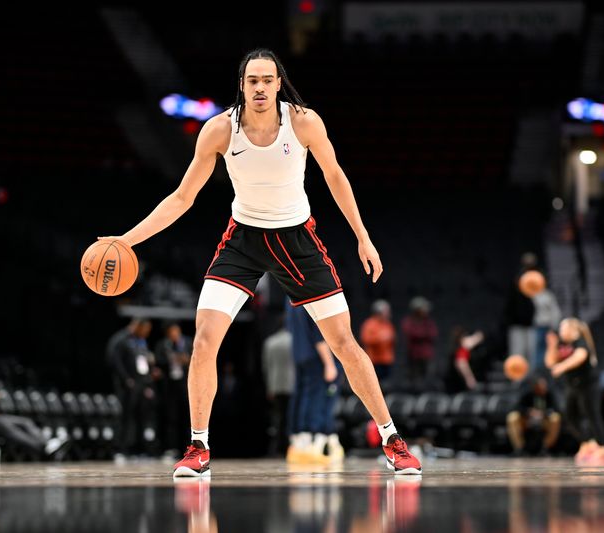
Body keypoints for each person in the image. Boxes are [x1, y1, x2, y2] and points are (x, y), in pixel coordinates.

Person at [99, 48, 421, 477]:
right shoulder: (219, 130)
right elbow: (181, 198)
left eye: (267, 80)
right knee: (204, 339)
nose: (260, 88)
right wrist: (127, 240)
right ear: (242, 86)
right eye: (252, 81)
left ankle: (392, 439)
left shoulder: (304, 121)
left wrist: (363, 237)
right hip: (244, 239)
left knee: (344, 343)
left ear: (278, 83)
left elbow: (335, 177)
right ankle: (198, 447)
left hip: (297, 239)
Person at [545, 317, 604, 465]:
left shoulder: (580, 342)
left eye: (563, 327)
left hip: (589, 384)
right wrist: (551, 345)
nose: (561, 330)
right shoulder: (561, 343)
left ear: (572, 330)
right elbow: (550, 362)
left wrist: (562, 367)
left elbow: (579, 357)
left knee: (592, 415)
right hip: (573, 385)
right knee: (569, 415)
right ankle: (587, 443)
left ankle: (603, 447)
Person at [286, 303, 344, 465]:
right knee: (318, 398)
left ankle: (299, 440)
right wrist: (330, 363)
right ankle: (313, 442)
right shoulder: (310, 295)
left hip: (300, 354)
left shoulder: (290, 300)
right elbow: (319, 335)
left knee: (302, 396)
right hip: (316, 356)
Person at [105, 318, 159, 458]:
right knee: (125, 417)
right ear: (137, 326)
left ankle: (138, 449)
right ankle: (120, 449)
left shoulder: (141, 342)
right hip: (127, 385)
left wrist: (149, 380)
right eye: (145, 329)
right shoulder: (121, 339)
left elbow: (142, 363)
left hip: (141, 385)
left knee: (141, 417)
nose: (147, 333)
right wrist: (125, 379)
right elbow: (114, 361)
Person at [155, 321, 193, 453]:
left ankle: (189, 447)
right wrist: (170, 360)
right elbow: (158, 361)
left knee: (187, 417)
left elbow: (197, 358)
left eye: (176, 332)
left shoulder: (188, 342)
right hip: (170, 385)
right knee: (171, 417)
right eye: (172, 333)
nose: (174, 335)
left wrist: (186, 360)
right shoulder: (163, 345)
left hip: (185, 384)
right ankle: (172, 447)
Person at [261, 317, 294, 456]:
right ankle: (290, 446)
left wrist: (269, 387)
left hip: (275, 384)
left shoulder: (270, 342)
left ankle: (278, 447)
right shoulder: (294, 340)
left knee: (279, 417)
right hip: (292, 383)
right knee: (292, 416)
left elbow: (266, 366)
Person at [506, 375, 561, 456]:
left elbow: (556, 409)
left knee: (556, 418)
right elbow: (516, 407)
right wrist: (529, 412)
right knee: (512, 417)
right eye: (540, 386)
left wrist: (543, 413)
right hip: (527, 421)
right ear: (534, 386)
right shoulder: (527, 394)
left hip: (543, 421)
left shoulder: (549, 395)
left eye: (544, 386)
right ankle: (520, 448)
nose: (542, 388)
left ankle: (545, 447)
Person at [504, 252, 539, 364]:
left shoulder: (537, 280)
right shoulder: (517, 279)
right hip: (517, 324)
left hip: (531, 323)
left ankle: (530, 380)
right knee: (518, 354)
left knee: (531, 354)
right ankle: (518, 381)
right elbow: (512, 302)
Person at [401, 296, 438, 385]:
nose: (426, 310)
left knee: (428, 380)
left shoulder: (429, 322)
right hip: (413, 357)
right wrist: (423, 334)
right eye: (424, 308)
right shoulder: (408, 322)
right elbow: (412, 334)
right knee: (414, 381)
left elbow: (433, 334)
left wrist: (421, 334)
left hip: (427, 357)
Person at [360, 299, 397, 380]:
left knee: (387, 383)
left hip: (387, 360)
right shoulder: (369, 324)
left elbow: (392, 338)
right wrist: (380, 338)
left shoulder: (388, 324)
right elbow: (366, 339)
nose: (388, 313)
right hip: (374, 360)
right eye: (386, 311)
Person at [444, 326, 484, 393]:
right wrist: (469, 379)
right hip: (457, 384)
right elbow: (461, 364)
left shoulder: (459, 347)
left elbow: (478, 337)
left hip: (453, 382)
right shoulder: (461, 350)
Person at [532, 288, 561, 372]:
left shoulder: (548, 295)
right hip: (536, 326)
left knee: (548, 348)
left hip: (546, 326)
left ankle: (544, 369)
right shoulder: (533, 294)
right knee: (537, 349)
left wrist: (554, 326)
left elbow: (555, 312)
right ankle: (538, 370)